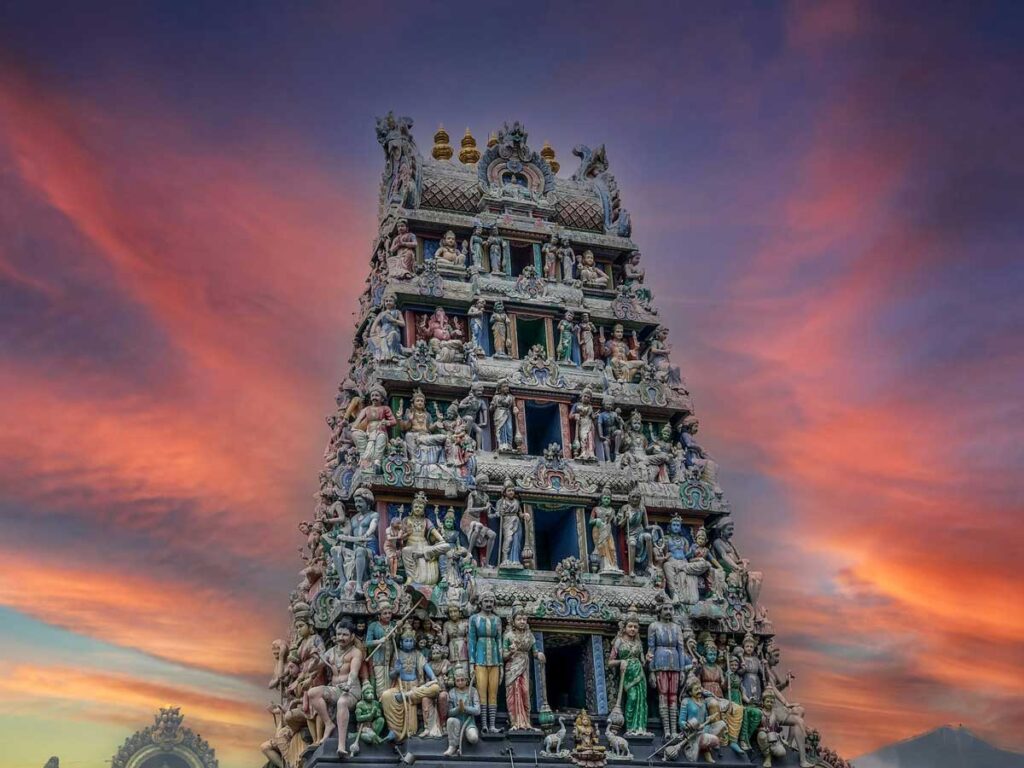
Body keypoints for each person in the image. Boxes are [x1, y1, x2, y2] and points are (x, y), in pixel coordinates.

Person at [306, 618, 364, 756]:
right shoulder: (330, 652)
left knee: (342, 702)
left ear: (352, 636)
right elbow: (312, 669)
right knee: (313, 693)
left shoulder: (356, 652)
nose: (341, 638)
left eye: (344, 635)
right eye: (339, 634)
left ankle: (341, 746)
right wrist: (314, 659)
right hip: (335, 688)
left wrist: (348, 684)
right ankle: (328, 723)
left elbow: (354, 673)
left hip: (351, 690)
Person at [502, 602, 544, 731]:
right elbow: (503, 656)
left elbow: (535, 652)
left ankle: (526, 721)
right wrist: (510, 651)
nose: (522, 622)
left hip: (524, 665)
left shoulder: (529, 636)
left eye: (524, 619)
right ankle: (514, 722)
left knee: (525, 691)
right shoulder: (508, 636)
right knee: (513, 692)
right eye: (519, 619)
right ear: (513, 621)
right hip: (512, 666)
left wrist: (540, 655)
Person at [608, 607, 648, 734]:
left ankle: (640, 727)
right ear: (624, 627)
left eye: (635, 627)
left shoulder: (638, 643)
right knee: (632, 698)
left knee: (641, 700)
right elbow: (610, 662)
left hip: (639, 673)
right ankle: (630, 727)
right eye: (630, 626)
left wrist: (647, 659)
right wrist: (621, 661)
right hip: (627, 674)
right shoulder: (619, 641)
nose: (633, 629)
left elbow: (643, 662)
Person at [468, 590, 503, 733]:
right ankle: (483, 725)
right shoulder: (474, 619)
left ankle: (492, 725)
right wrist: (471, 664)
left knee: (493, 693)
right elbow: (471, 641)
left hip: (494, 660)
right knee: (482, 693)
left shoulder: (497, 620)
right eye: (486, 601)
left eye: (491, 602)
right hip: (480, 660)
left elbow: (499, 641)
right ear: (480, 603)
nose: (489, 604)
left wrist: (500, 665)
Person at [443, 666, 481, 756]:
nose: (460, 682)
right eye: (458, 680)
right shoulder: (452, 692)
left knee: (474, 738)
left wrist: (466, 708)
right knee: (450, 720)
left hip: (469, 723)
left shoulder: (472, 691)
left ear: (466, 680)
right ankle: (452, 746)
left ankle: (466, 734)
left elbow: (477, 710)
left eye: (462, 680)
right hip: (457, 722)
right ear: (455, 681)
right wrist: (458, 709)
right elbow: (449, 713)